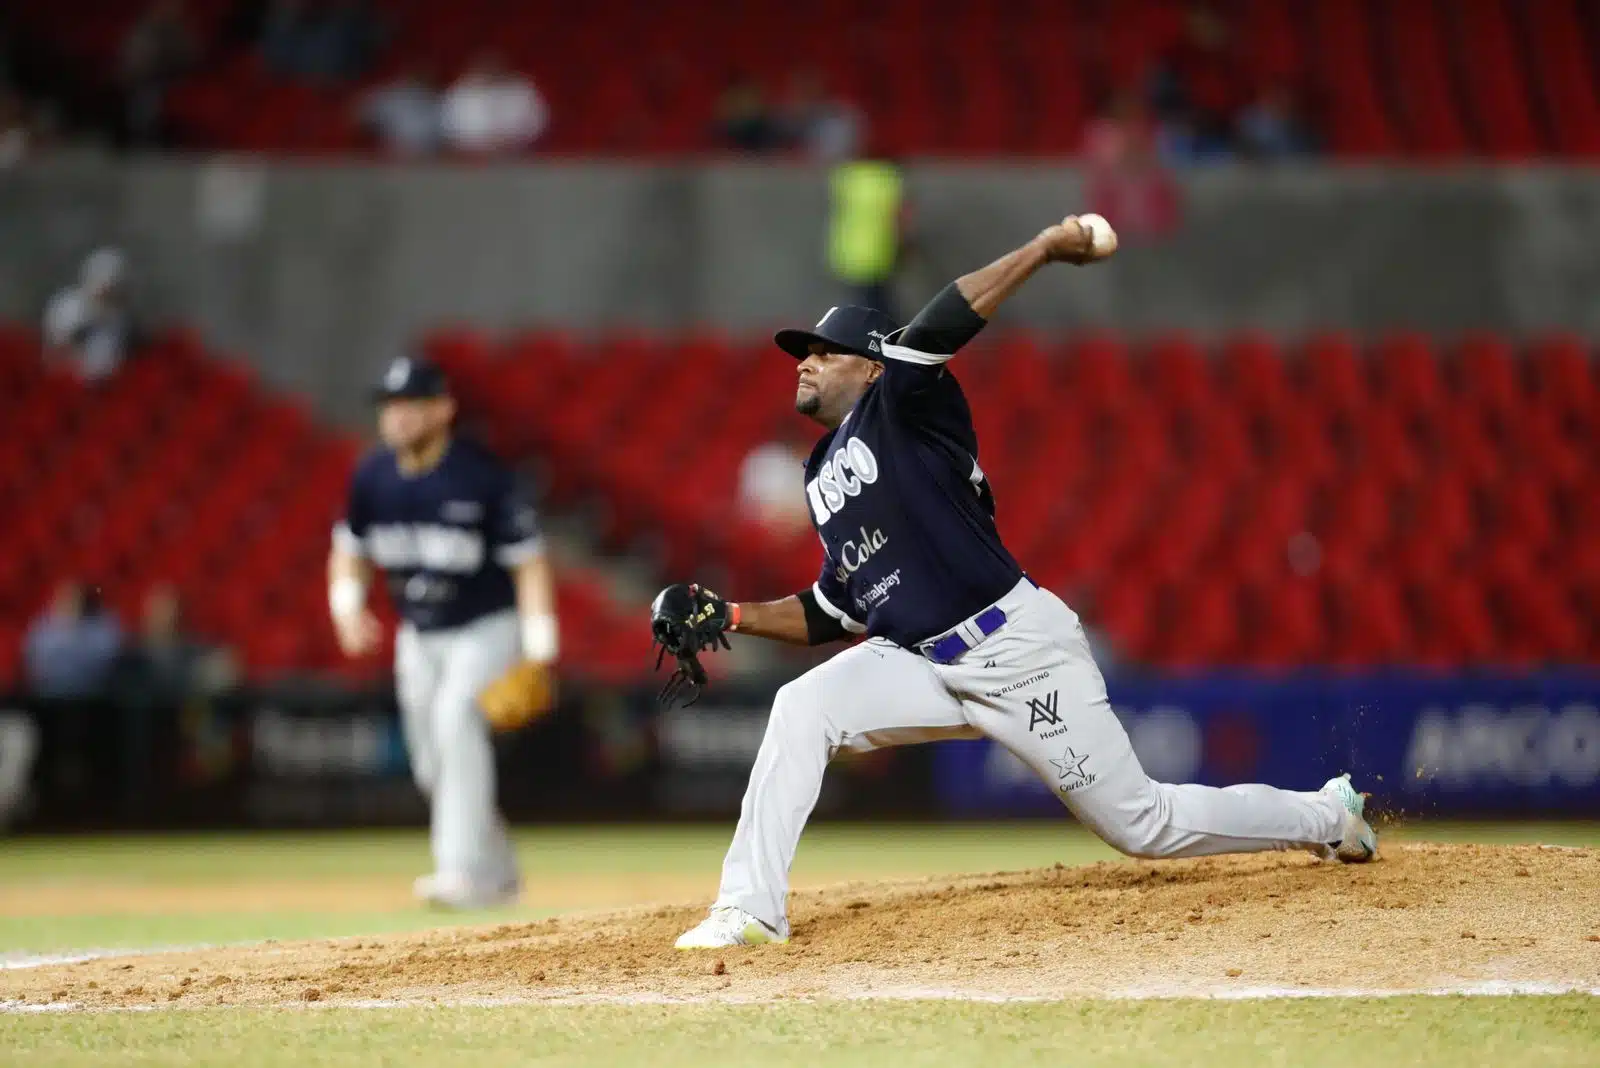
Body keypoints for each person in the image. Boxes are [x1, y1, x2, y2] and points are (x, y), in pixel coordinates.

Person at [662, 212, 1377, 949]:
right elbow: (835, 609)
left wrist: (1040, 250)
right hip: (919, 659)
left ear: (873, 364)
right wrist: (734, 616)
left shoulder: (903, 405)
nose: (804, 361)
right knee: (801, 706)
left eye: (825, 350)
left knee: (1144, 824)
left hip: (1016, 649)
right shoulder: (819, 476)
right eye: (800, 353)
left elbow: (941, 324)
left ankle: (1328, 815)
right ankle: (751, 909)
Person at [328, 356, 560, 909]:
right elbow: (348, 551)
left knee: (457, 720)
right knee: (433, 762)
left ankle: (459, 874)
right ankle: (499, 870)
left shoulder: (482, 477)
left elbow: (529, 564)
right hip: (419, 634)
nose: (398, 417)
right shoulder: (372, 477)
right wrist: (346, 607)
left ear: (444, 408)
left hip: (485, 627)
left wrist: (540, 648)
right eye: (390, 407)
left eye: (411, 405)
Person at [43, 248, 143, 383]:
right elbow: (60, 343)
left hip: (109, 385)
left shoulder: (121, 318)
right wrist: (92, 319)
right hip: (68, 381)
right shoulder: (68, 305)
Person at [826, 154, 907, 319]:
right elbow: (900, 217)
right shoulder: (888, 178)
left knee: (867, 303)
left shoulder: (846, 176)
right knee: (876, 305)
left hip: (849, 252)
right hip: (879, 251)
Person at [23, 583, 124, 700]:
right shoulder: (42, 630)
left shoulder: (101, 628)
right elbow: (36, 664)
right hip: (50, 697)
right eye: (65, 600)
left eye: (74, 600)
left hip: (94, 697)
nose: (69, 604)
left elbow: (107, 662)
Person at [119, 0, 199, 147]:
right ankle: (141, 141)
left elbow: (191, 58)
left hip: (176, 80)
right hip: (146, 83)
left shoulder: (181, 31)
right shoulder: (143, 31)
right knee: (146, 98)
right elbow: (135, 65)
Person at [440, 53, 547, 156]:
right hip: (468, 157)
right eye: (485, 68)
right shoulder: (459, 92)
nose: (490, 71)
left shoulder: (522, 91)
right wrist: (478, 143)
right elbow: (448, 125)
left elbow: (535, 122)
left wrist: (510, 139)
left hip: (515, 153)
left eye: (495, 68)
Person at [357, 64, 441, 158]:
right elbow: (360, 114)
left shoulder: (436, 101)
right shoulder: (390, 96)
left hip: (427, 157)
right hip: (391, 155)